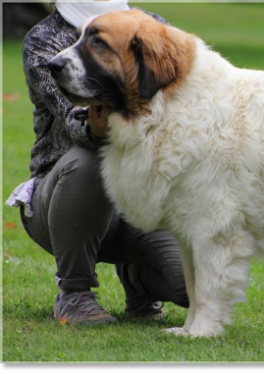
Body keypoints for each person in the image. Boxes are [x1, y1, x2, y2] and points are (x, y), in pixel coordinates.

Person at [6, 0, 189, 326]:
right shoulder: (44, 41)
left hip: (136, 204)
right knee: (92, 154)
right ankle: (74, 293)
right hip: (62, 197)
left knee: (194, 286)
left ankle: (139, 281)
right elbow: (74, 121)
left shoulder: (153, 27)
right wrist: (100, 127)